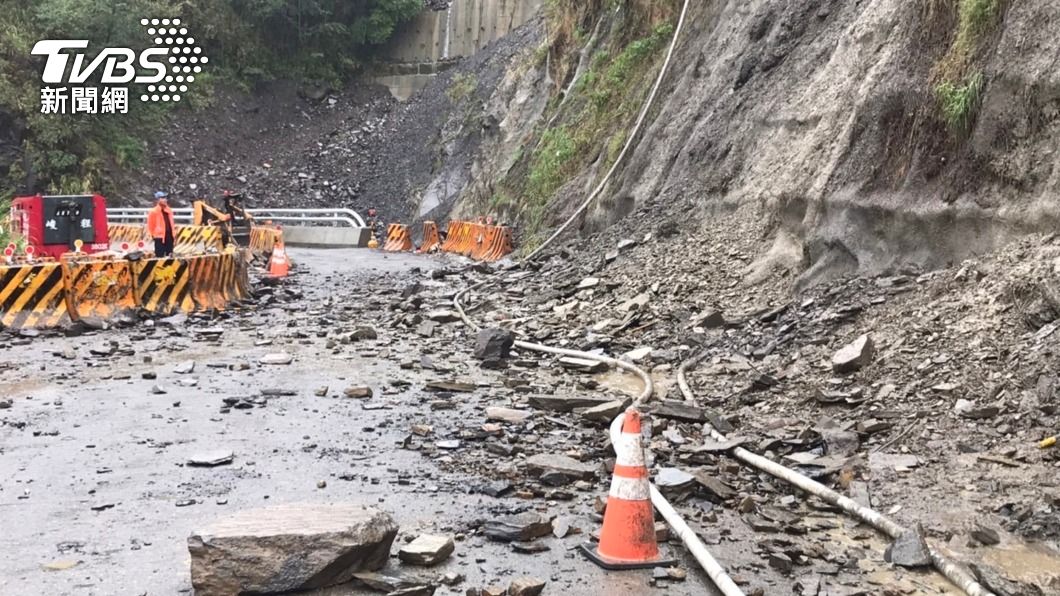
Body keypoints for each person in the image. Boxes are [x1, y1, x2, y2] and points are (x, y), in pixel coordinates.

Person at [147, 191, 176, 257]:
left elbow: (171, 223)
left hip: (169, 236)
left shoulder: (169, 210)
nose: (165, 199)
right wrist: (153, 235)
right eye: (162, 198)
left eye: (165, 198)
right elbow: (150, 225)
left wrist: (173, 234)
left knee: (170, 256)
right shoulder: (154, 211)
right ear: (158, 200)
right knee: (160, 256)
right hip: (159, 237)